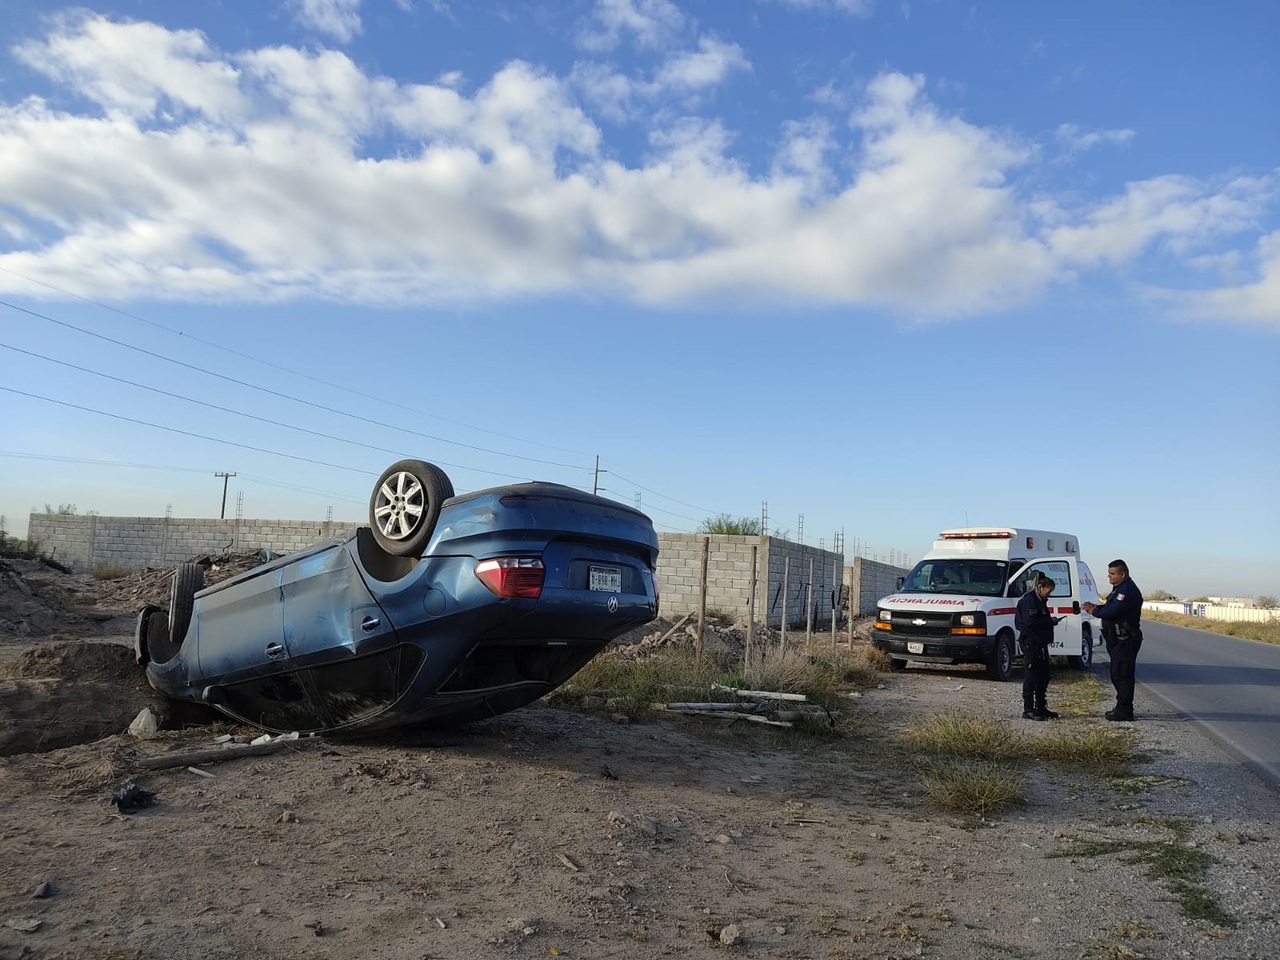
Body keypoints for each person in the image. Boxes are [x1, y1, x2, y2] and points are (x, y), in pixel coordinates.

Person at [1082, 559, 1143, 721]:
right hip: (1117, 638)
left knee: (1122, 674)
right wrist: (1096, 608)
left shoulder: (1126, 591)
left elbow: (1113, 611)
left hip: (1125, 639)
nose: (1109, 576)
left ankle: (1124, 710)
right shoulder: (1119, 589)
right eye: (1109, 573)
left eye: (1112, 574)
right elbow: (1109, 607)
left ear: (1122, 574)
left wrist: (1094, 611)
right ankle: (1121, 707)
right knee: (1118, 673)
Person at [1016, 573, 1063, 720]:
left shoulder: (1039, 600)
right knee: (1031, 676)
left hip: (1040, 643)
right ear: (1040, 587)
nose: (1049, 594)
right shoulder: (1030, 600)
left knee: (1044, 676)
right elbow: (1030, 622)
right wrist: (1050, 621)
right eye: (1048, 591)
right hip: (1031, 643)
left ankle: (1041, 707)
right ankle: (1028, 710)